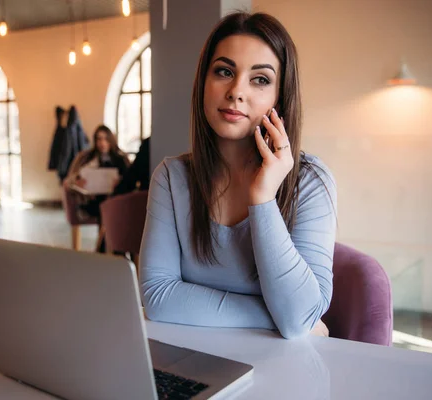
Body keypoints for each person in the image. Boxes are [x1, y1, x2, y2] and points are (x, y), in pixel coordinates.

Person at [139, 12, 337, 339]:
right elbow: (158, 297)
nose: (236, 91)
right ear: (204, 82)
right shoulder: (172, 178)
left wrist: (262, 199)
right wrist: (274, 316)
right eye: (224, 72)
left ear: (280, 96)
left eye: (260, 79)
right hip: (195, 362)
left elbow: (299, 317)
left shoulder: (311, 182)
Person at [63, 125, 130, 220]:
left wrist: (120, 183)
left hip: (116, 198)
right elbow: (69, 181)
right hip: (91, 200)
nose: (102, 143)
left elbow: (129, 181)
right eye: (99, 139)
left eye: (106, 139)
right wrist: (77, 183)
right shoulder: (85, 158)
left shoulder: (121, 159)